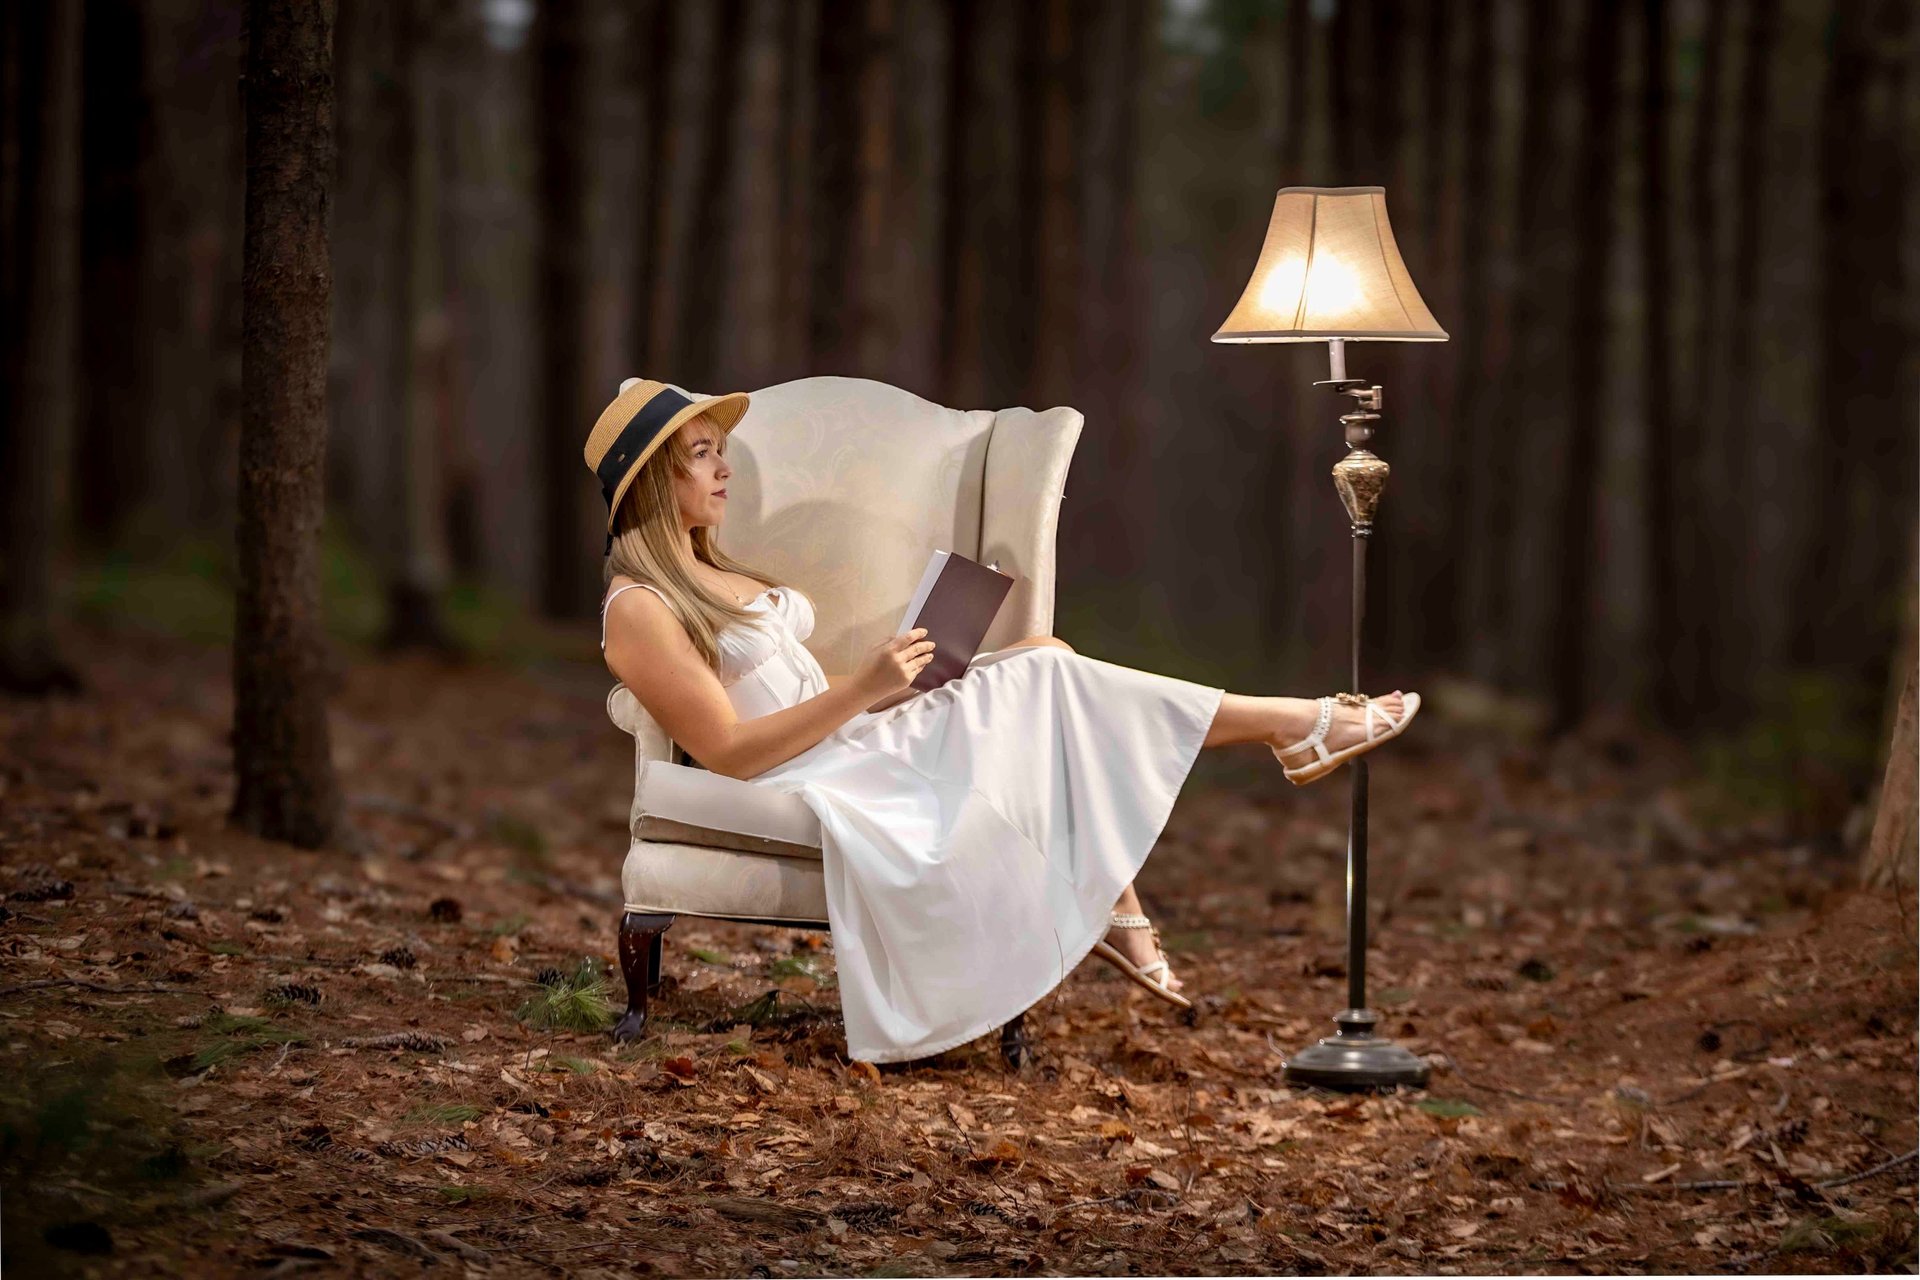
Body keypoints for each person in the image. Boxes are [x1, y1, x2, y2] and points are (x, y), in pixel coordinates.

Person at [587, 378, 1421, 1064]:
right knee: (1049, 673)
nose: (725, 469)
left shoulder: (710, 571)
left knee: (1042, 655)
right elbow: (728, 750)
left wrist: (902, 673)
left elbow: (800, 685)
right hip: (817, 770)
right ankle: (1295, 729)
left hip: (848, 733)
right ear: (654, 478)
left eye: (720, 450)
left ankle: (1259, 765)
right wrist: (863, 692)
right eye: (703, 455)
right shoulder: (639, 608)